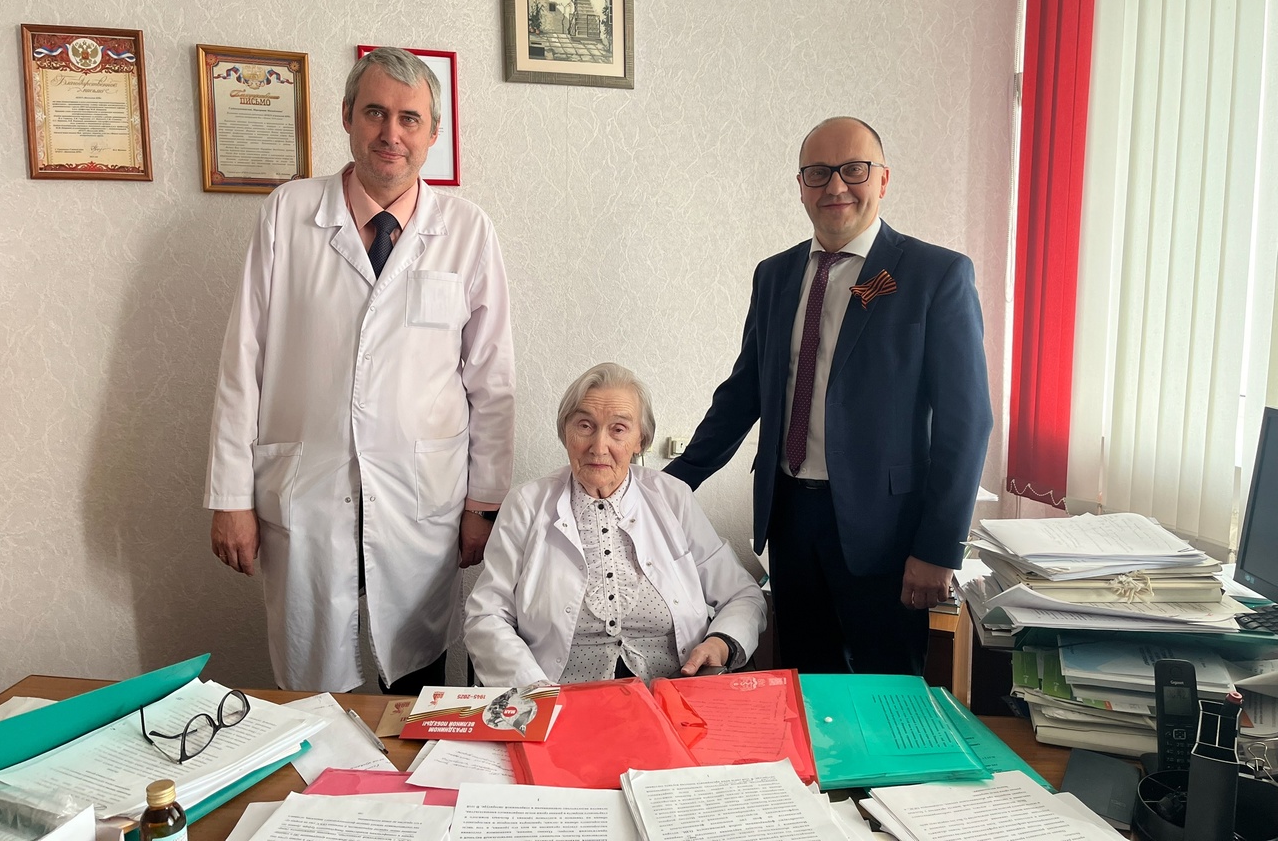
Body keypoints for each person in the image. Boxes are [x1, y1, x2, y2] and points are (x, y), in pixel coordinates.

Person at [204, 46, 515, 693]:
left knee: (419, 685)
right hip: (310, 492)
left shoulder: (467, 230)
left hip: (422, 498)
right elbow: (242, 363)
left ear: (433, 133)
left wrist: (483, 505)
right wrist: (230, 496)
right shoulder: (288, 213)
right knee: (316, 689)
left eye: (409, 118)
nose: (390, 133)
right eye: (375, 112)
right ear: (347, 116)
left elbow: (492, 381)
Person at [665, 117, 992, 676]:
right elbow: (743, 394)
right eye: (818, 172)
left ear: (883, 180)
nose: (836, 186)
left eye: (853, 170)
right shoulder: (774, 275)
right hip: (791, 521)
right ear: (801, 186)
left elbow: (968, 422)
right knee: (805, 686)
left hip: (887, 534)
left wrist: (939, 547)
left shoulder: (935, 275)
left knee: (886, 694)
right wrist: (668, 487)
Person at [465, 363, 766, 687]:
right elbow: (486, 615)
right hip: (561, 701)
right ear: (565, 432)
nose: (598, 446)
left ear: (640, 440)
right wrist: (535, 690)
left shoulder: (672, 498)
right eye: (585, 426)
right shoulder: (526, 505)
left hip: (672, 695)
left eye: (618, 429)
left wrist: (720, 643)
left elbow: (742, 594)